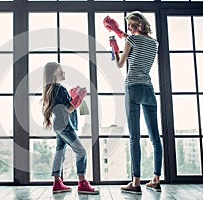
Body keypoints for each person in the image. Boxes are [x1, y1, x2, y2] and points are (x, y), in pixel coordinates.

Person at [103, 11, 163, 194]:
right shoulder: (154, 43)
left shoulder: (132, 41)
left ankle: (135, 183)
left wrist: (114, 47)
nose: (128, 28)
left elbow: (120, 64)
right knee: (155, 138)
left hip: (133, 88)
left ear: (137, 24)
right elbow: (135, 40)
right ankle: (156, 180)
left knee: (134, 137)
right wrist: (121, 33)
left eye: (130, 25)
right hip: (148, 89)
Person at [42, 62, 99, 195]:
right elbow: (68, 109)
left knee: (60, 152)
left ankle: (57, 183)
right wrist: (80, 96)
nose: (64, 72)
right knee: (81, 151)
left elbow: (63, 106)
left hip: (59, 125)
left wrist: (73, 95)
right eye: (61, 70)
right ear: (55, 72)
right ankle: (82, 183)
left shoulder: (52, 89)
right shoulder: (59, 89)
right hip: (65, 126)